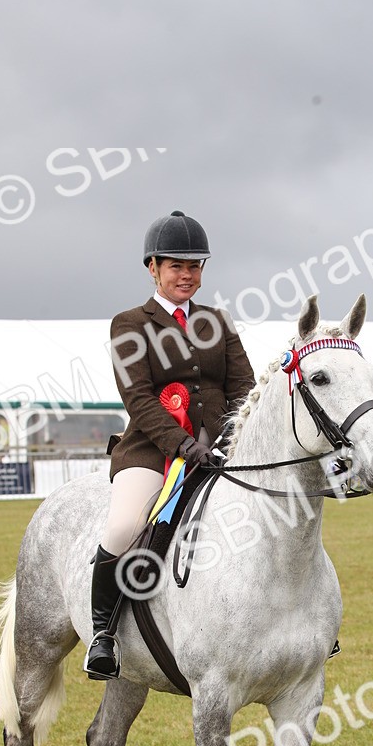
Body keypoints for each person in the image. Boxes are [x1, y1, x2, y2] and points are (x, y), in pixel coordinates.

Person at [84, 211, 256, 679]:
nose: (187, 275)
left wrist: (226, 439)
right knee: (123, 526)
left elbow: (245, 389)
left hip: (220, 450)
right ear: (153, 268)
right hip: (151, 452)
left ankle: (298, 625)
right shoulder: (130, 324)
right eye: (177, 266)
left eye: (195, 266)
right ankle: (103, 635)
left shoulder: (218, 322)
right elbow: (138, 397)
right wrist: (183, 445)